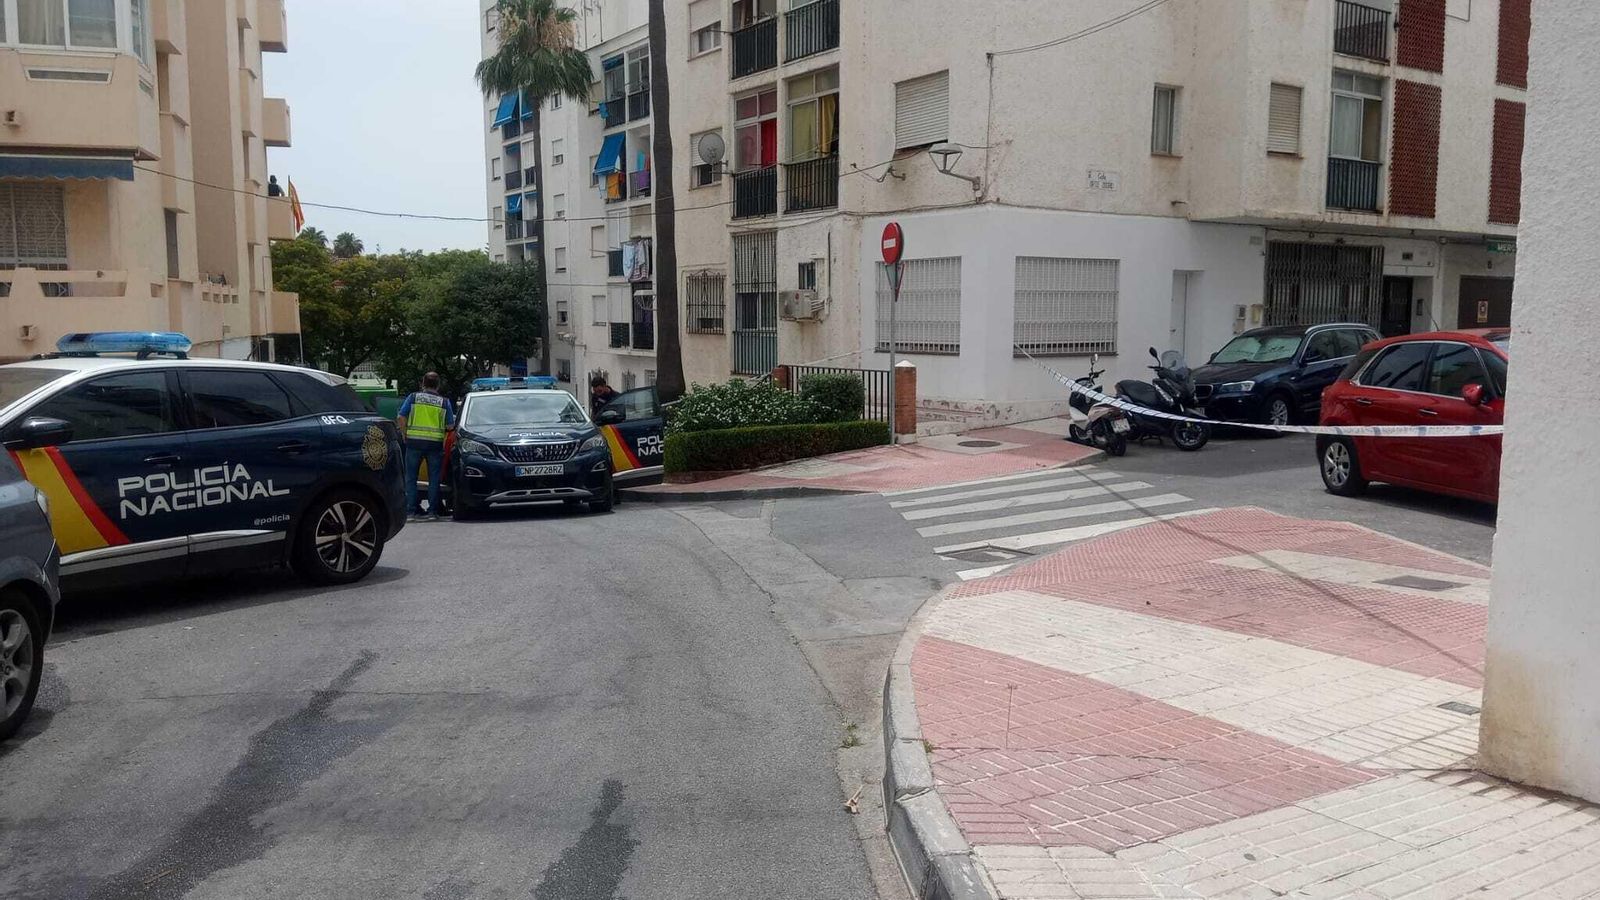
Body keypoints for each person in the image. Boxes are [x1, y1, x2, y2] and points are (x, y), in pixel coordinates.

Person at [397, 372, 455, 520]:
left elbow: (401, 417)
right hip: (435, 445)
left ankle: (410, 512)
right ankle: (432, 512)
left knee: (411, 478)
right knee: (434, 479)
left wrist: (405, 434)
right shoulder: (444, 402)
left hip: (414, 442)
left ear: (423, 383)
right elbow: (450, 425)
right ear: (438, 385)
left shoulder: (413, 397)